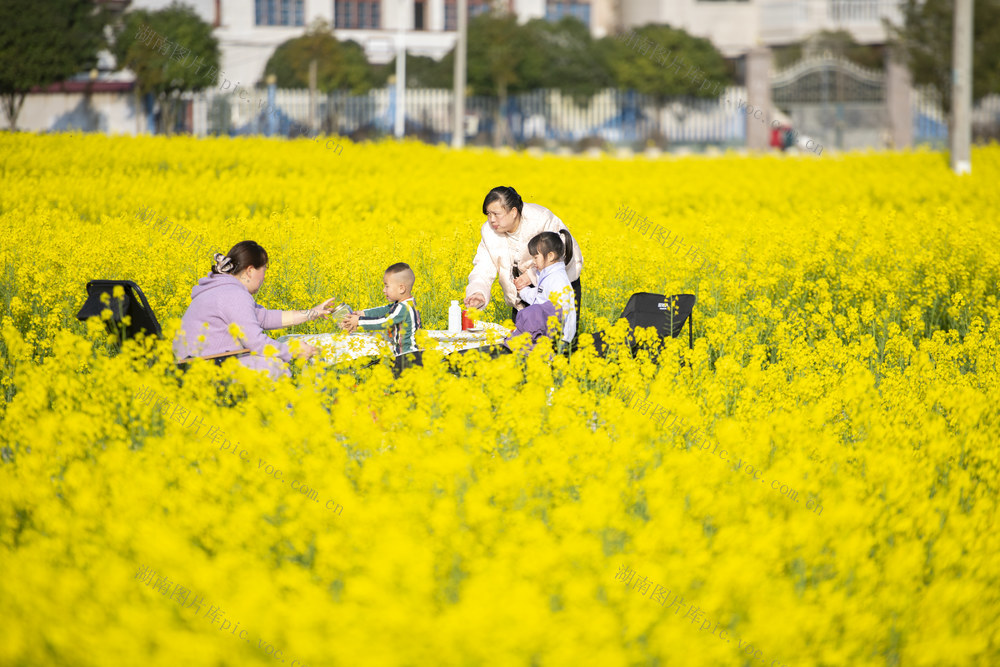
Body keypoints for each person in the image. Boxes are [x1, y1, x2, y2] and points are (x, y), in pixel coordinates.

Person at [174, 241, 332, 379]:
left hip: (189, 365)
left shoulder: (220, 289)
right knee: (274, 366)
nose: (264, 277)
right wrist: (293, 351)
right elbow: (257, 343)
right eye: (264, 269)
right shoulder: (234, 295)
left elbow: (265, 318)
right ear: (250, 270)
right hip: (203, 368)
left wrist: (313, 313)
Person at [463, 186, 584, 328]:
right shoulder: (489, 231)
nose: (492, 220)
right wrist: (478, 292)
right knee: (520, 339)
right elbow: (483, 266)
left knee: (558, 340)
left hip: (557, 288)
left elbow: (562, 251)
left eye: (496, 214)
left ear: (513, 212)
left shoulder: (540, 218)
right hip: (522, 293)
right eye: (488, 214)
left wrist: (531, 276)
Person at [341, 263, 423, 377]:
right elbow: (384, 310)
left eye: (387, 286)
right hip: (408, 356)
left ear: (401, 288)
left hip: (409, 357)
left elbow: (384, 321)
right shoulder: (404, 304)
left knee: (404, 386)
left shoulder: (403, 308)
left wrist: (359, 321)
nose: (384, 290)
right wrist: (363, 313)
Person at [506, 231, 577, 350]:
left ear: (550, 256)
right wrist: (523, 291)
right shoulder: (548, 274)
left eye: (535, 257)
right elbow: (539, 296)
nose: (533, 261)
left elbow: (559, 309)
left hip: (556, 335)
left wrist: (562, 338)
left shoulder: (557, 279)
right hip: (547, 330)